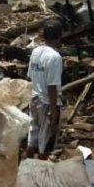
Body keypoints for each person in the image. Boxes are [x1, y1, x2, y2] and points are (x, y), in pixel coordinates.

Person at [26, 20, 64, 160]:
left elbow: (30, 77)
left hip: (34, 98)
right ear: (60, 36)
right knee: (46, 143)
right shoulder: (55, 57)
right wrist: (54, 114)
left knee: (33, 137)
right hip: (47, 103)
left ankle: (27, 168)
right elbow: (52, 87)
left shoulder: (36, 51)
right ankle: (41, 174)